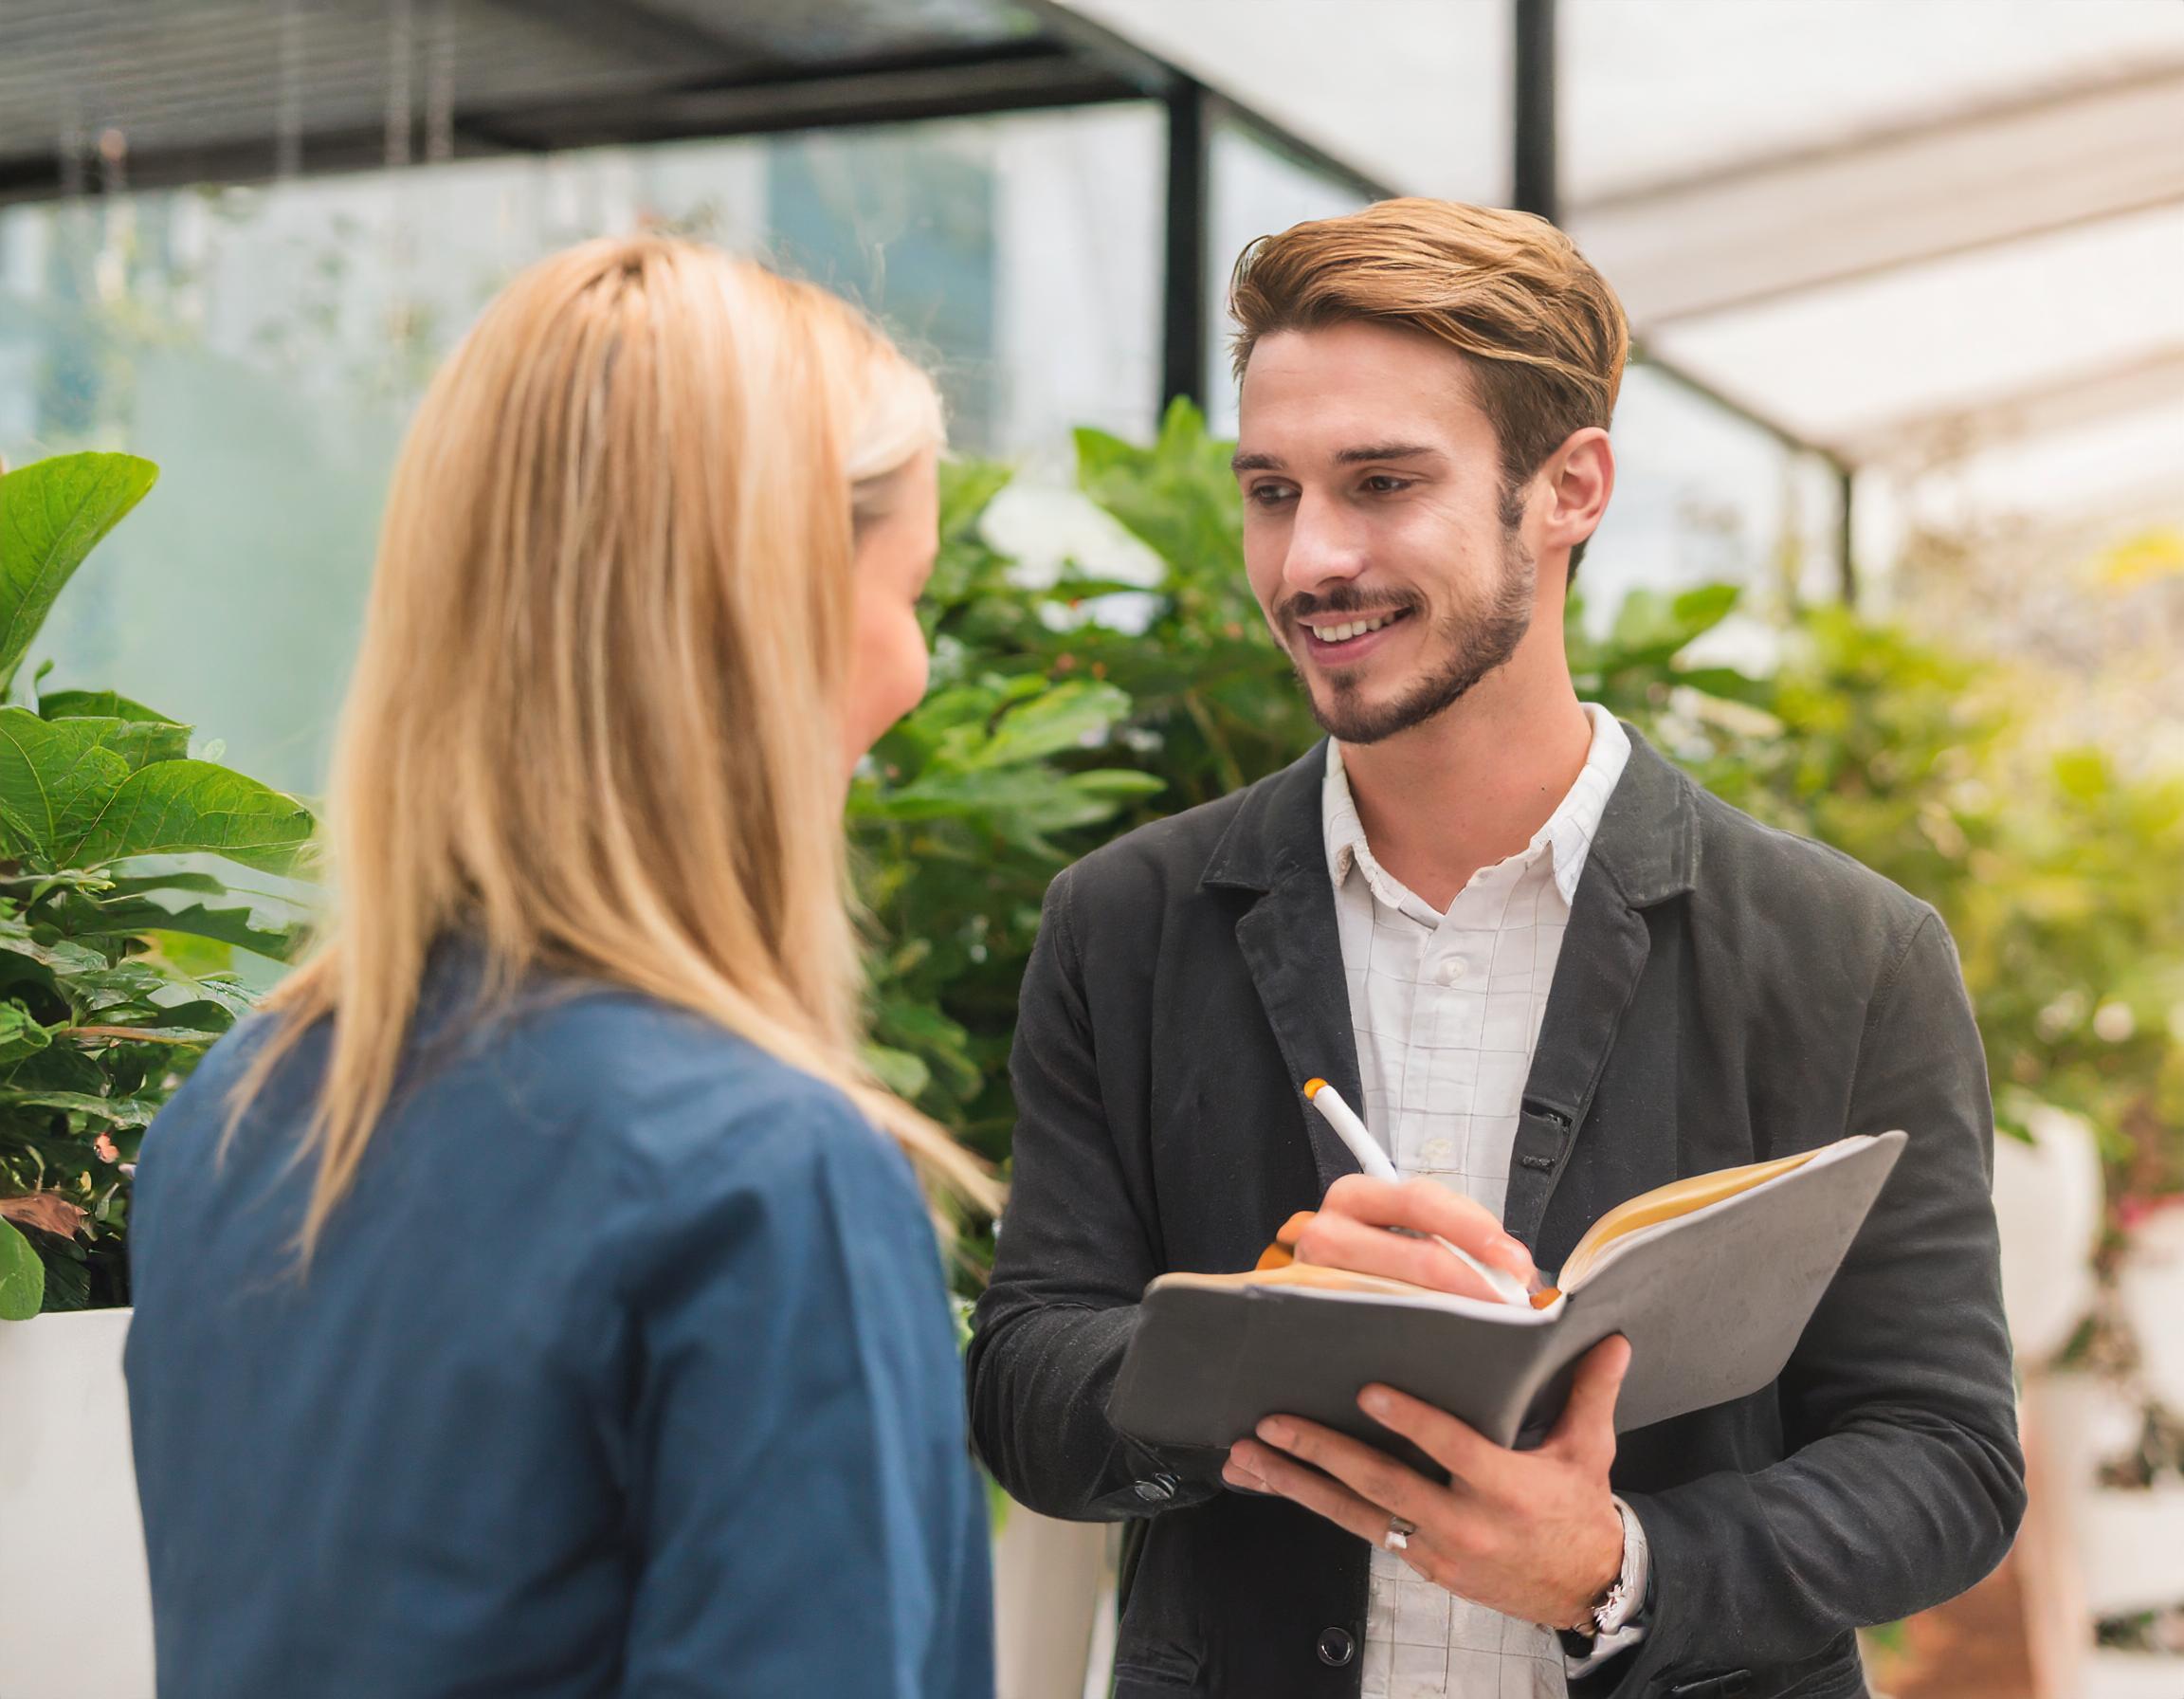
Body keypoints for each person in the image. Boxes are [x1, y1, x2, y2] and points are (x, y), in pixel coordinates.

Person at [967, 199, 2024, 1699]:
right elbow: (1022, 1386)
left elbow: (1946, 1462)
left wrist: (1615, 1567)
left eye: (1382, 482)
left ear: (1569, 486)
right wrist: (1240, 1355)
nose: (1309, 557)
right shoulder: (1126, 922)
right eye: (1271, 492)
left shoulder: (1848, 952)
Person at [125, 237, 997, 1699]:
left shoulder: (233, 1118)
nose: (911, 671)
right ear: (755, 616)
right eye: (903, 588)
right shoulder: (764, 1177)